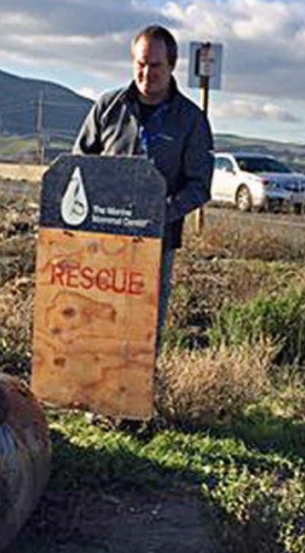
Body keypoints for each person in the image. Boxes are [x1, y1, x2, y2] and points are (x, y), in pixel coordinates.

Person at [73, 25, 214, 334]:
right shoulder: (107, 108)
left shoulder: (191, 120)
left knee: (142, 331)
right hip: (103, 241)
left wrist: (160, 213)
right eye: (140, 63)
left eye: (155, 65)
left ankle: (142, 382)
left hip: (155, 244)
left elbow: (200, 186)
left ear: (172, 65)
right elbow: (78, 167)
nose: (147, 73)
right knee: (95, 324)